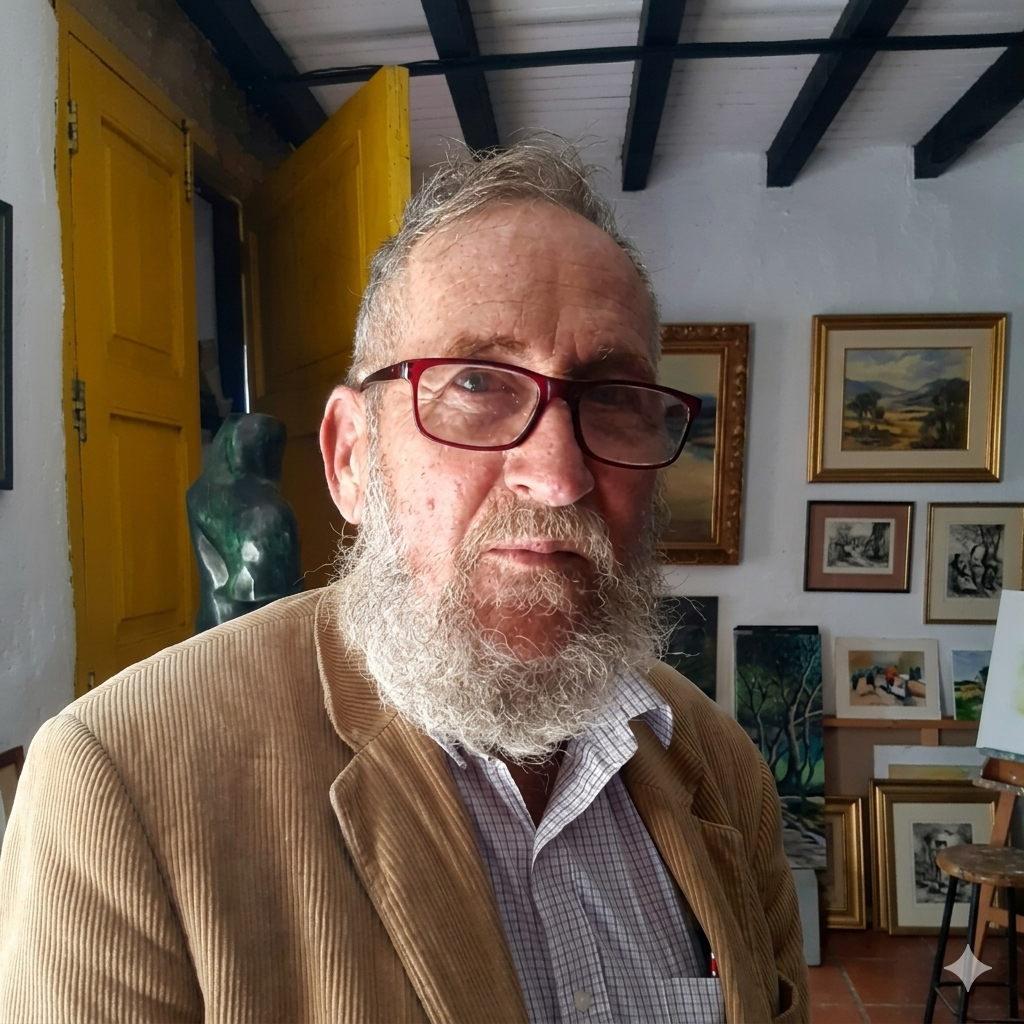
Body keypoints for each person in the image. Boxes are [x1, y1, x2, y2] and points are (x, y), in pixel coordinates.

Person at [0, 143, 808, 1023]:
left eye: (612, 397)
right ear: (351, 458)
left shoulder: (721, 768)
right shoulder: (118, 784)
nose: (558, 475)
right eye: (476, 383)